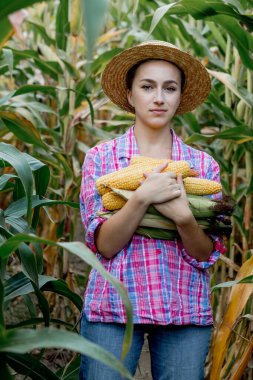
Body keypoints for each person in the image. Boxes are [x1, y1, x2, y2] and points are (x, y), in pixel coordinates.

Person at [79, 41, 226, 380]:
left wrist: (184, 217)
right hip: (113, 309)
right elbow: (104, 245)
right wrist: (142, 197)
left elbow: (206, 255)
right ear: (130, 95)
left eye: (169, 88)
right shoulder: (101, 159)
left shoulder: (202, 165)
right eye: (147, 86)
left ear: (179, 96)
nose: (158, 97)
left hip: (183, 309)